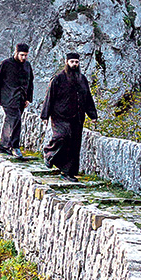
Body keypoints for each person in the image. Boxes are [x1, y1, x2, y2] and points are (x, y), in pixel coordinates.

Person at [40, 52, 97, 182]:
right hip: (59, 116)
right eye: (72, 62)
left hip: (77, 117)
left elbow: (88, 98)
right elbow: (49, 97)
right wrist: (45, 115)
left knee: (74, 145)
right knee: (61, 137)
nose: (74, 65)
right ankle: (49, 153)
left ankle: (68, 173)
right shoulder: (58, 79)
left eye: (76, 62)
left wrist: (92, 115)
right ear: (67, 62)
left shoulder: (82, 79)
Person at [0, 43, 33, 158]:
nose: (24, 57)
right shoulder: (5, 64)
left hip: (21, 99)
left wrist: (28, 98)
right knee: (16, 119)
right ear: (16, 52)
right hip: (8, 98)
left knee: (10, 121)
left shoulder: (27, 66)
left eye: (26, 55)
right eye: (22, 55)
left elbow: (30, 82)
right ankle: (15, 146)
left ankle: (3, 146)